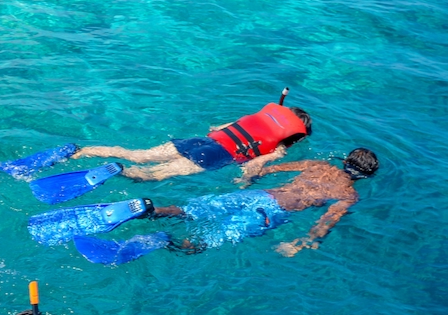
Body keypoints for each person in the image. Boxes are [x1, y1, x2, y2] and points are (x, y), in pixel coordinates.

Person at [75, 148, 379, 264]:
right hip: (270, 214)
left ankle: (151, 210)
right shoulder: (349, 196)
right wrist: (300, 244)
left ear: (345, 160)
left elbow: (269, 169)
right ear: (366, 175)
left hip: (259, 196)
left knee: (191, 210)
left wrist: (250, 177)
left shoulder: (316, 165)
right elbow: (325, 223)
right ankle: (162, 241)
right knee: (203, 241)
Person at [71, 98, 313, 181]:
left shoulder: (252, 118)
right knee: (154, 175)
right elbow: (253, 165)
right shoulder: (279, 148)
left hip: (198, 141)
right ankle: (117, 171)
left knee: (139, 155)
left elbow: (215, 127)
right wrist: (247, 180)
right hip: (215, 156)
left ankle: (83, 151)